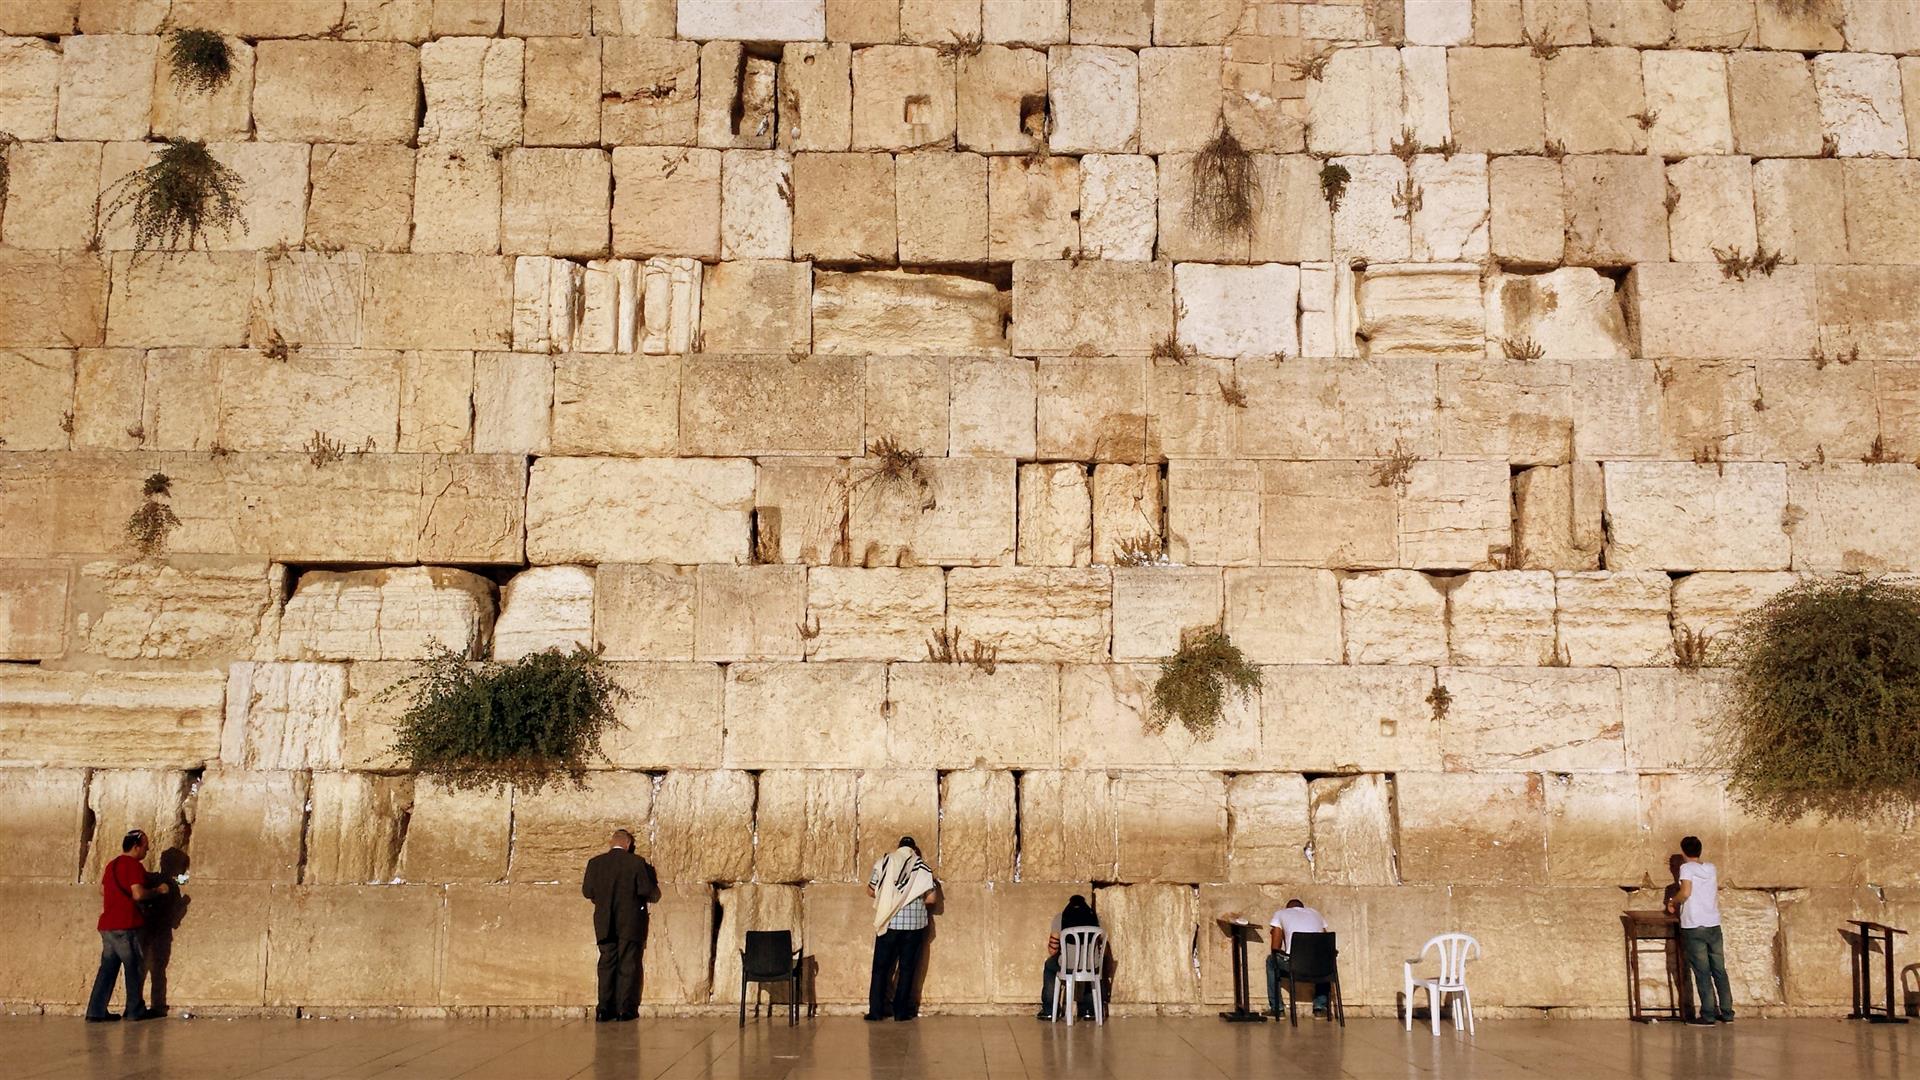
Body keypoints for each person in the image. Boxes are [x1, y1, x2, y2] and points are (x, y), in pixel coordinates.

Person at [86, 829, 171, 1023]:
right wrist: (158, 890)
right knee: (134, 967)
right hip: (126, 925)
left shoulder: (112, 865)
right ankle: (135, 1010)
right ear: (136, 846)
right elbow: (138, 894)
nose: (147, 851)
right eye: (145, 848)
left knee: (107, 968)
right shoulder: (133, 866)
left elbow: (102, 890)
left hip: (107, 925)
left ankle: (96, 1011)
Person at [582, 828, 659, 1023]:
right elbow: (645, 889)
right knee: (628, 964)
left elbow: (587, 891)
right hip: (629, 922)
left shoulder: (595, 863)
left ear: (611, 842)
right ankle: (625, 1009)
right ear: (628, 844)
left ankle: (603, 1009)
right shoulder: (636, 863)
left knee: (606, 963)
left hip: (604, 921)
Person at [866, 836, 939, 1022]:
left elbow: (871, 890)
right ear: (914, 850)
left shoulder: (884, 861)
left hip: (888, 922)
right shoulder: (922, 867)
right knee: (907, 969)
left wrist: (891, 897)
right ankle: (901, 1012)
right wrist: (912, 899)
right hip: (914, 926)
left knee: (880, 968)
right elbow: (932, 899)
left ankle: (876, 1011)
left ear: (898, 847)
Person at [1669, 835, 1733, 1026]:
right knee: (1719, 969)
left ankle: (1708, 1014)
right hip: (1713, 923)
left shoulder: (1686, 868)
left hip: (1694, 924)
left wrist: (1673, 901)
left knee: (1702, 971)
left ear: (1683, 852)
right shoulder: (1711, 868)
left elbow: (1686, 891)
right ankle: (1727, 1012)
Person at [1037, 894, 1101, 1020]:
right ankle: (1089, 1010)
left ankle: (1049, 1010)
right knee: (1091, 968)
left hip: (1068, 965)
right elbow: (1099, 944)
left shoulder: (1060, 918)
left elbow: (1052, 950)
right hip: (1092, 965)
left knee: (1049, 965)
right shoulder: (1096, 918)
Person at [1266, 898, 1330, 1017]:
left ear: (1288, 908)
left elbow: (1275, 947)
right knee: (1323, 959)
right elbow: (1325, 942)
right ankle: (1320, 1007)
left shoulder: (1281, 914)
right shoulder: (1316, 914)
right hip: (1319, 966)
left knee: (1271, 960)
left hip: (1295, 965)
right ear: (1302, 907)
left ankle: (1277, 1008)